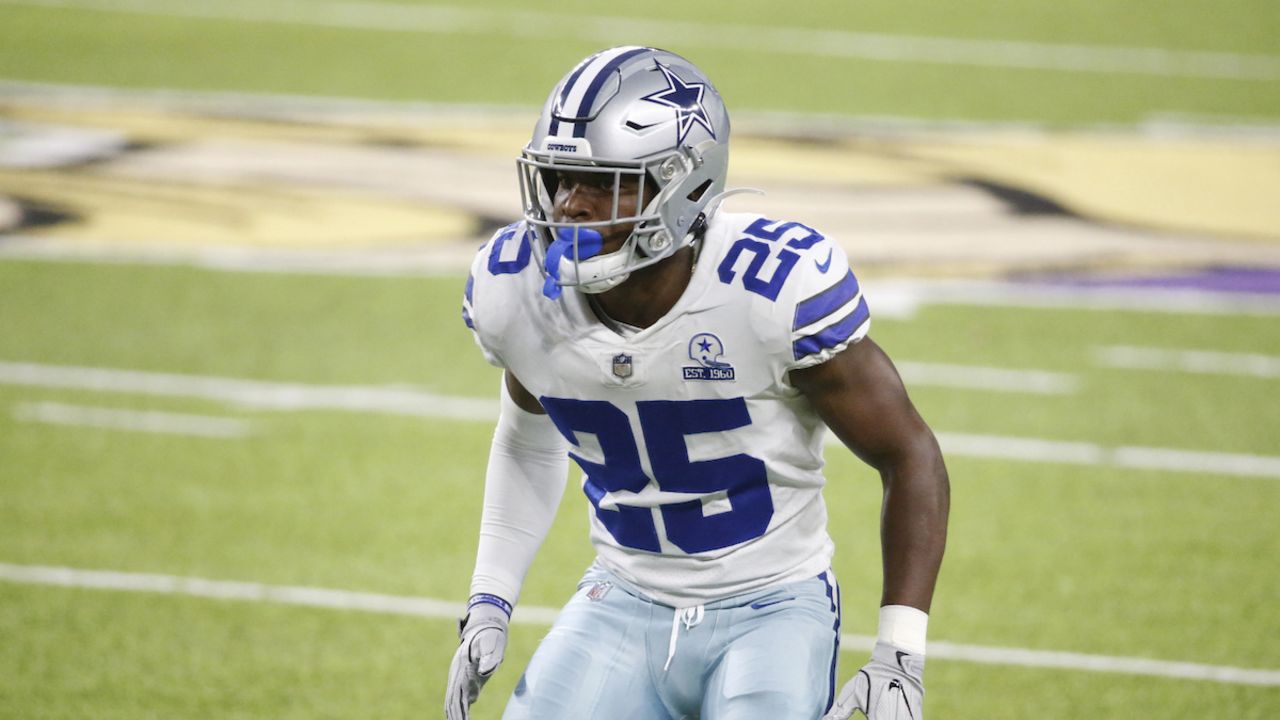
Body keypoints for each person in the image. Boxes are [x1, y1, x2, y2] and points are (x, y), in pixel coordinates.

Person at [445, 46, 949, 720]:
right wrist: (490, 599)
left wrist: (899, 651)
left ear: (681, 188)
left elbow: (908, 452)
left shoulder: (769, 290)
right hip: (622, 598)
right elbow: (526, 440)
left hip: (771, 607)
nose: (570, 206)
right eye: (562, 177)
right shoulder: (517, 291)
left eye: (605, 183)